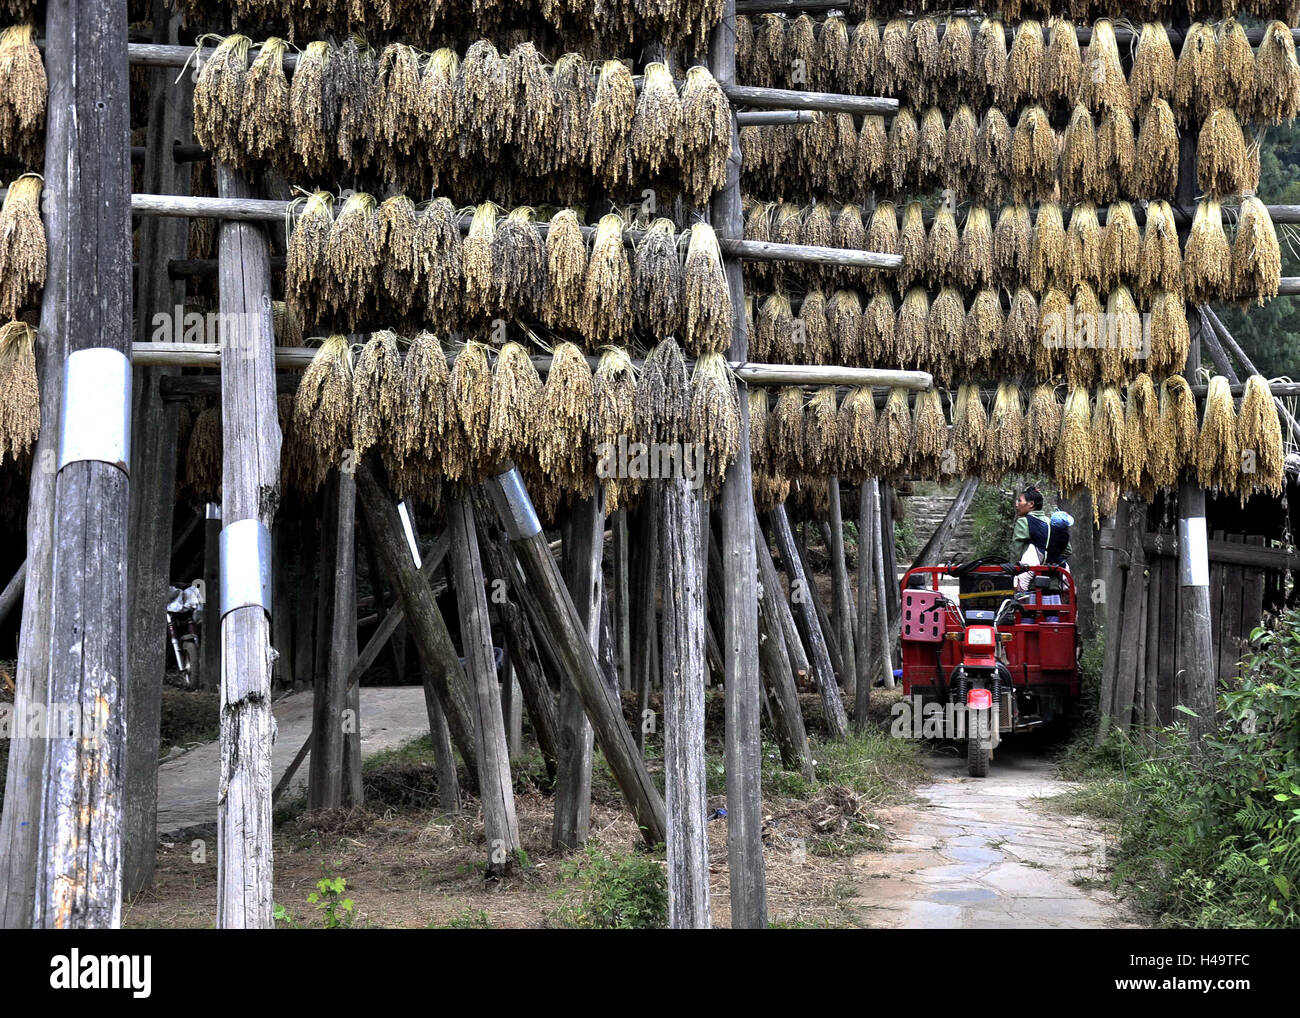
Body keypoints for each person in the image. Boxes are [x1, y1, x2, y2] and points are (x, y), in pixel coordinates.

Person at [1010, 485, 1072, 595]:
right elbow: (1067, 550)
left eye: (1020, 501)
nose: (1017, 504)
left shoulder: (1024, 522)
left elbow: (1016, 550)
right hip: (1054, 582)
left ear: (1031, 504)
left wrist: (1012, 569)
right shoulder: (1051, 522)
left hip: (1031, 584)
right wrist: (1051, 560)